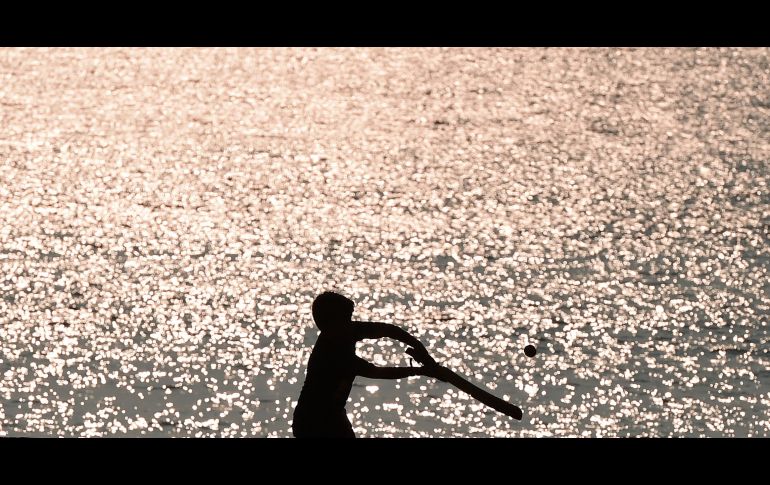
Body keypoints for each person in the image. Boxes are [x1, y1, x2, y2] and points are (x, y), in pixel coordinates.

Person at [292, 291, 448, 438]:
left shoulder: (347, 330)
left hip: (334, 414)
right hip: (312, 422)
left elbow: (387, 330)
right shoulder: (332, 355)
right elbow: (378, 372)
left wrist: (417, 344)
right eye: (345, 319)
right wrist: (421, 371)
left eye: (350, 318)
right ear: (331, 324)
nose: (351, 323)